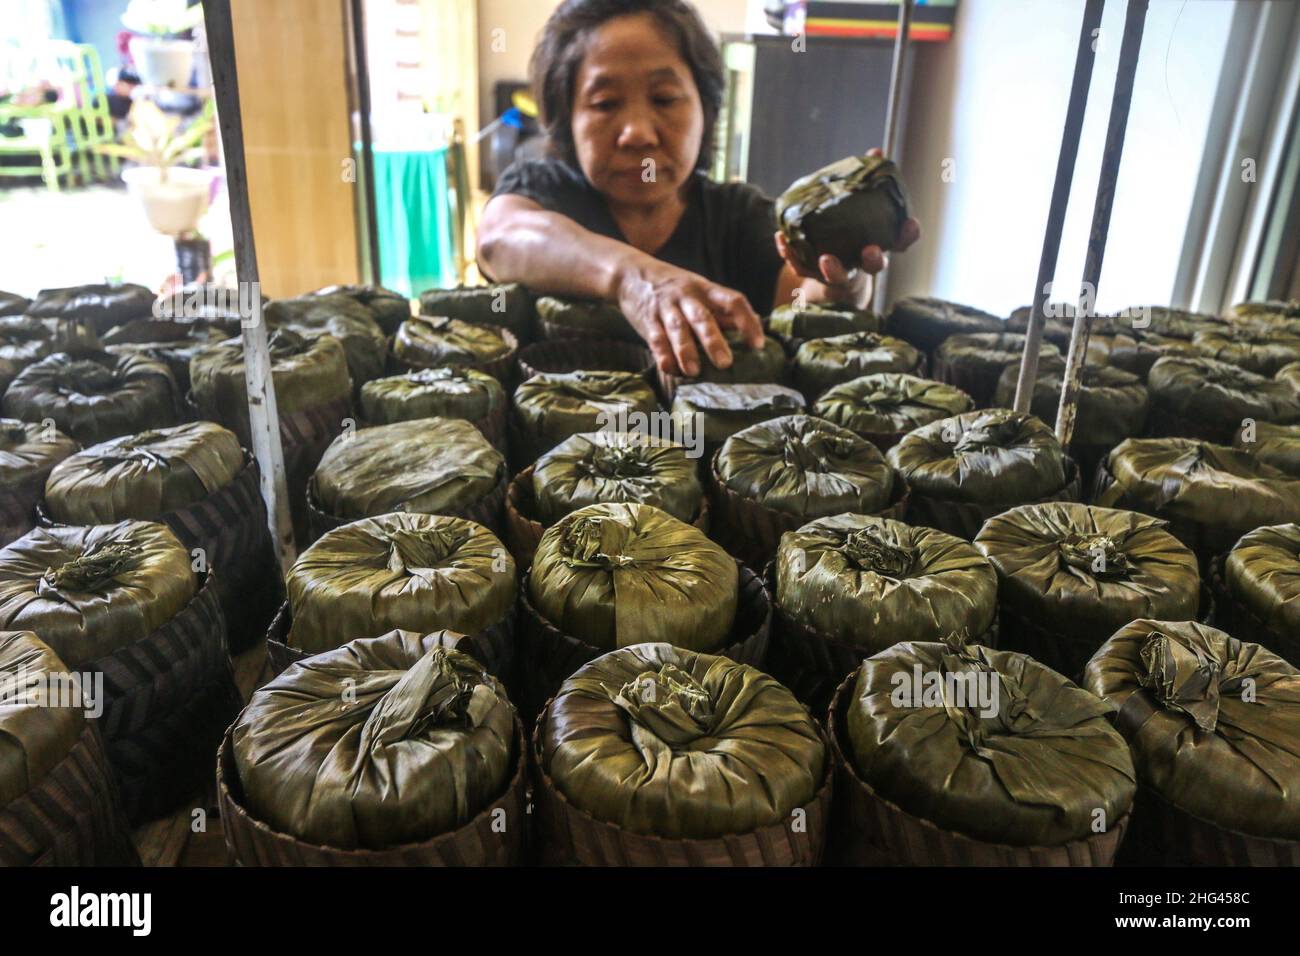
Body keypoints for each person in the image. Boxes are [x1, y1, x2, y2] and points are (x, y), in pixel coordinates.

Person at [477, 0, 920, 378]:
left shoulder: (737, 217)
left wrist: (842, 287)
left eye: (664, 98)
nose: (637, 134)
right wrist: (635, 277)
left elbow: (801, 294)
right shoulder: (543, 189)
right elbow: (499, 241)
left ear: (706, 111)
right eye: (605, 103)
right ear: (566, 119)